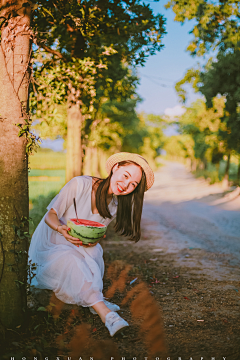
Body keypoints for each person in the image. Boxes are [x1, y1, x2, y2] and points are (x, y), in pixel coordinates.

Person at [28, 152, 154, 336]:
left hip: (76, 245)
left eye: (133, 184)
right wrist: (61, 229)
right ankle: (108, 317)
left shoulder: (113, 206)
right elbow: (51, 215)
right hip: (50, 243)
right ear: (115, 168)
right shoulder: (80, 184)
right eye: (126, 176)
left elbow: (89, 234)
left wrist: (92, 239)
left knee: (95, 251)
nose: (126, 185)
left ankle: (95, 300)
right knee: (71, 259)